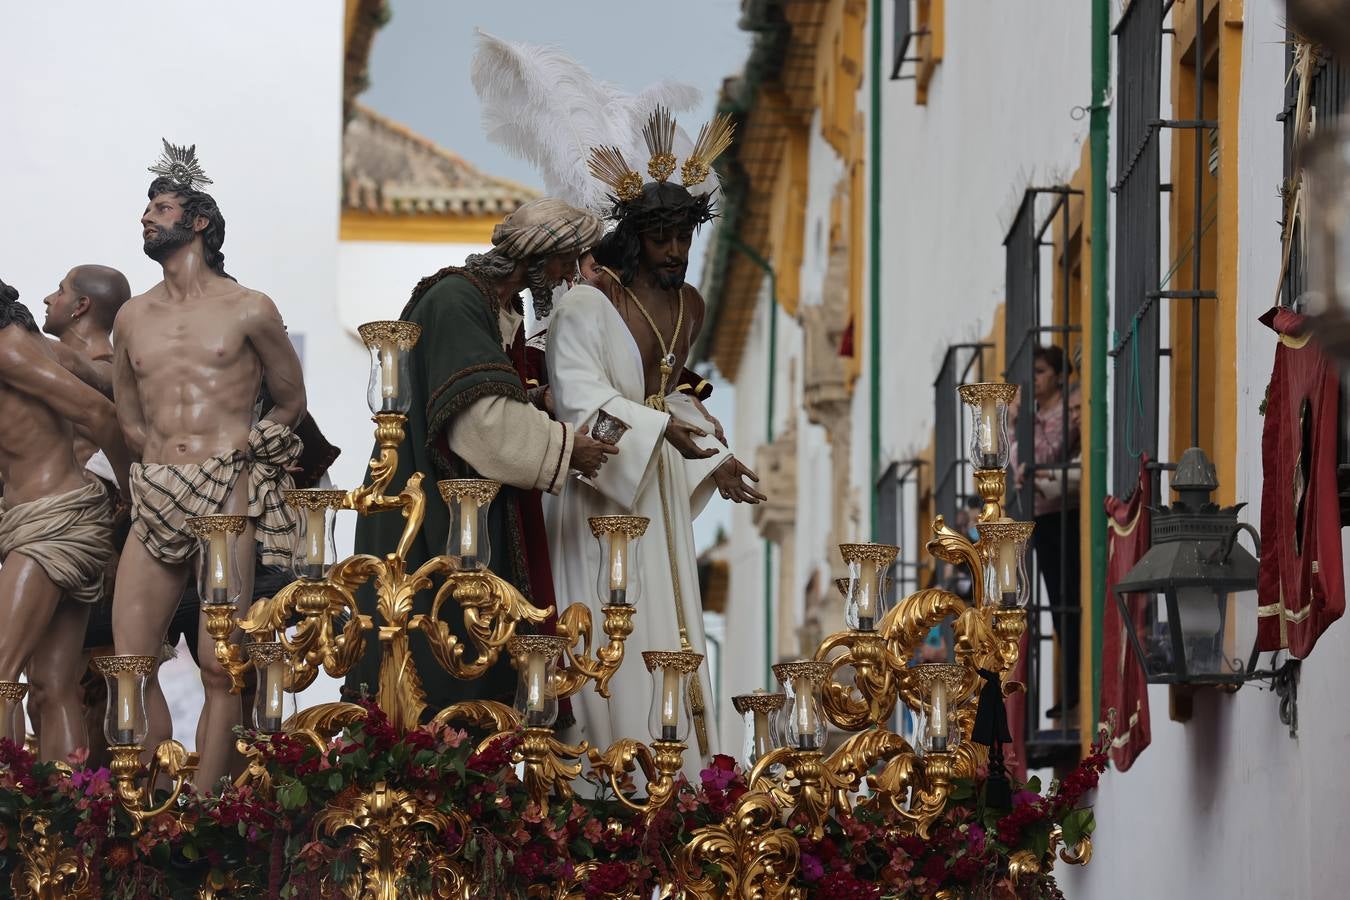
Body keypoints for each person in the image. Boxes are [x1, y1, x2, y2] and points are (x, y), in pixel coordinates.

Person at [546, 109, 764, 772]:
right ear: (635, 239)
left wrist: (715, 456)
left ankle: (675, 765)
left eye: (682, 238)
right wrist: (661, 428)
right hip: (599, 489)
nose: (674, 251)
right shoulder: (586, 304)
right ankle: (607, 766)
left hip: (658, 486)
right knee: (616, 624)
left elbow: (666, 394)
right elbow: (582, 404)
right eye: (660, 238)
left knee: (667, 618)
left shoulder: (689, 306)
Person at [344, 197, 614, 717]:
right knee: (433, 668)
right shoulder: (456, 301)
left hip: (452, 512)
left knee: (467, 664)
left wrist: (535, 401)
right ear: (533, 259)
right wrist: (565, 447)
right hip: (426, 519)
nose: (562, 275)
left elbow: (484, 397)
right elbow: (480, 423)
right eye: (560, 261)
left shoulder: (491, 306)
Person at [110, 142, 307, 787]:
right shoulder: (131, 317)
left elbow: (289, 400)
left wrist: (247, 451)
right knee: (129, 657)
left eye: (160, 207)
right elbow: (129, 413)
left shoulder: (249, 306)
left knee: (225, 666)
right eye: (146, 209)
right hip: (158, 488)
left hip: (229, 493)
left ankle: (207, 807)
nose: (146, 218)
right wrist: (161, 460)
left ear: (198, 221)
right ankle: (148, 802)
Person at [0, 276, 130, 760]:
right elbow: (118, 388)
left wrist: (134, 494)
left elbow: (100, 413)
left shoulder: (8, 351)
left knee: (1, 672)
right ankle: (68, 817)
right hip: (63, 521)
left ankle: (10, 813)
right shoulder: (49, 349)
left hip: (51, 525)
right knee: (52, 684)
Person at [1020, 345, 1082, 720]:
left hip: (1068, 512)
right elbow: (1017, 461)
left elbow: (1051, 452)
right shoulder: (1031, 418)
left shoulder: (1065, 414)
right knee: (1058, 609)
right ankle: (1069, 686)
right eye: (1034, 372)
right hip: (1042, 517)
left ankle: (1075, 686)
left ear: (1058, 375)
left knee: (1070, 603)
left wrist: (1035, 465)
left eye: (1041, 371)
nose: (1035, 379)